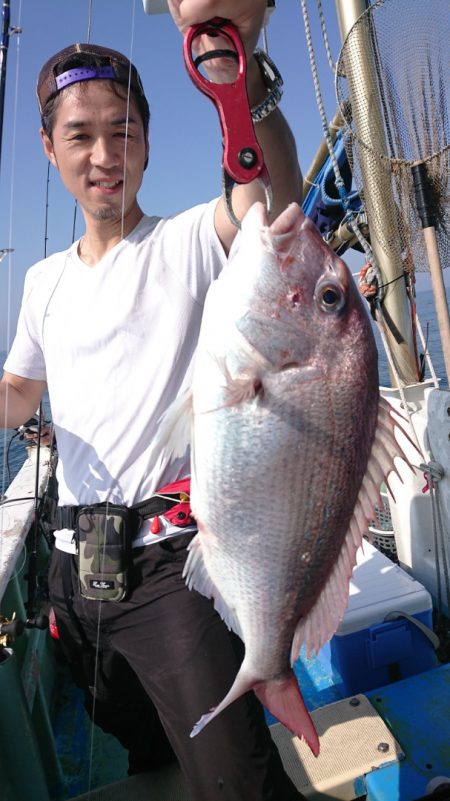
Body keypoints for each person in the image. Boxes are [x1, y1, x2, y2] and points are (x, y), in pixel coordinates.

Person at [0, 1, 305, 798]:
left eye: (123, 131)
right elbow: (17, 392)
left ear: (148, 140)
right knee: (143, 755)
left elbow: (269, 199)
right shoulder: (42, 283)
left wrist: (246, 90)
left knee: (238, 777)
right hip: (72, 582)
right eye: (80, 134)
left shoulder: (190, 241)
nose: (105, 154)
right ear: (47, 146)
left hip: (172, 575)